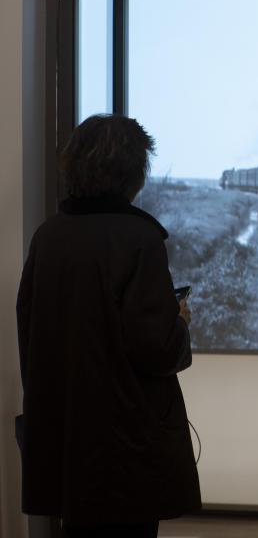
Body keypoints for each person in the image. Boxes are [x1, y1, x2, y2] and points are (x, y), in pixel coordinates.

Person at [16, 114, 201, 537]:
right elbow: (156, 347)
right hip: (126, 448)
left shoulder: (49, 237)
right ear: (133, 174)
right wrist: (180, 321)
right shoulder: (139, 240)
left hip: (66, 439)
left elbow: (30, 331)